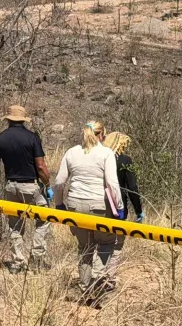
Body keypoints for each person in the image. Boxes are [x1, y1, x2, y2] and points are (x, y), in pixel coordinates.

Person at [54, 121, 123, 299]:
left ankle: (85, 288)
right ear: (102, 135)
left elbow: (60, 182)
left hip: (76, 206)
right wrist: (120, 208)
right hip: (99, 206)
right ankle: (98, 283)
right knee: (106, 243)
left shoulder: (72, 152)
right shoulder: (106, 153)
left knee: (84, 247)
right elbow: (112, 183)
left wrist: (59, 203)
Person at [0, 105, 52, 273]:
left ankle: (17, 262)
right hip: (31, 186)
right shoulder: (32, 138)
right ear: (24, 120)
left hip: (11, 186)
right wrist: (47, 185)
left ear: (8, 119)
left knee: (14, 225)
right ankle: (36, 258)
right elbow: (41, 166)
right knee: (44, 219)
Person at [103, 131, 145, 287]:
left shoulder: (99, 156)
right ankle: (110, 277)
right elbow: (132, 187)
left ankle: (98, 273)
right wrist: (139, 210)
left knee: (99, 241)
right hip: (118, 206)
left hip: (99, 203)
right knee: (116, 244)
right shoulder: (125, 160)